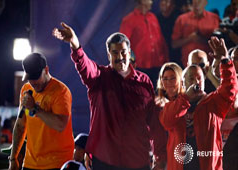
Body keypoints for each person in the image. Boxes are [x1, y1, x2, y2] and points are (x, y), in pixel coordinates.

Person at [53, 22, 167, 170]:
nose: (120, 57)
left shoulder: (144, 82)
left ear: (129, 51)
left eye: (123, 52)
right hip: (105, 162)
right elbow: (85, 65)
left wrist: (160, 158)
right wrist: (75, 43)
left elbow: (153, 124)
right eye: (115, 53)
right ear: (108, 55)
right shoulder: (98, 78)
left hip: (138, 161)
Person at [159, 36, 238, 170]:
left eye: (199, 78)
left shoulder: (213, 103)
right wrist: (185, 99)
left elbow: (230, 91)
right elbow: (167, 121)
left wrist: (225, 61)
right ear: (183, 83)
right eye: (191, 78)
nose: (196, 81)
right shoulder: (173, 106)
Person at [9, 53, 74, 170]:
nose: (33, 82)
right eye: (30, 78)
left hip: (57, 163)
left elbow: (60, 125)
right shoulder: (26, 89)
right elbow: (20, 125)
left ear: (46, 70)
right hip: (30, 163)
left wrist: (34, 109)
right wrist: (13, 158)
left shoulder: (61, 91)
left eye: (36, 77)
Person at [119, 0, 169, 87]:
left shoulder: (153, 17)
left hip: (157, 65)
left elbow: (160, 40)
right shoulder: (129, 20)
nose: (152, 2)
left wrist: (166, 60)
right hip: (140, 67)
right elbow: (122, 45)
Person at [172, 0, 220, 67]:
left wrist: (203, 40)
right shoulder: (182, 19)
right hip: (187, 64)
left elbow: (219, 43)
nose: (197, 4)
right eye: (194, 1)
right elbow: (174, 44)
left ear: (205, 2)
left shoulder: (214, 18)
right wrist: (190, 38)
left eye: (199, 1)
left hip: (209, 64)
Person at [156, 0, 182, 66]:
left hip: (177, 55)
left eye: (167, 1)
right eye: (162, 1)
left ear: (173, 5)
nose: (163, 3)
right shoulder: (155, 18)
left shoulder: (179, 18)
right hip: (160, 56)